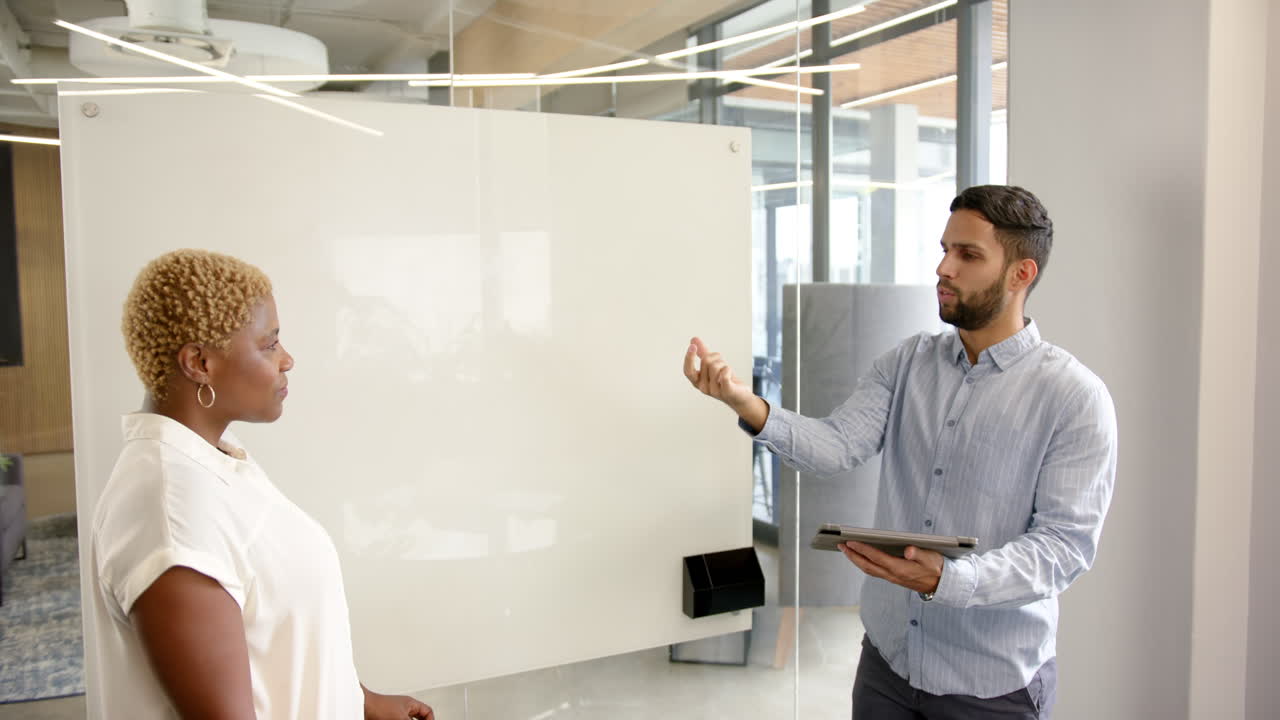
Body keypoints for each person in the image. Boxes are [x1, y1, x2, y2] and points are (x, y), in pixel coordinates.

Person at [683, 185, 1117, 719]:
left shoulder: (1075, 397)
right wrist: (745, 403)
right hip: (888, 666)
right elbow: (836, 446)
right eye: (945, 249)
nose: (944, 268)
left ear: (1020, 274)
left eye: (968, 255)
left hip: (991, 685)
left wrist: (947, 579)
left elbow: (1063, 548)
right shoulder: (908, 361)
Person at [87, 249, 435, 719]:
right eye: (269, 344)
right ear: (200, 363)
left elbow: (270, 620)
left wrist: (361, 701)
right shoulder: (173, 515)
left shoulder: (214, 456)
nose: (287, 359)